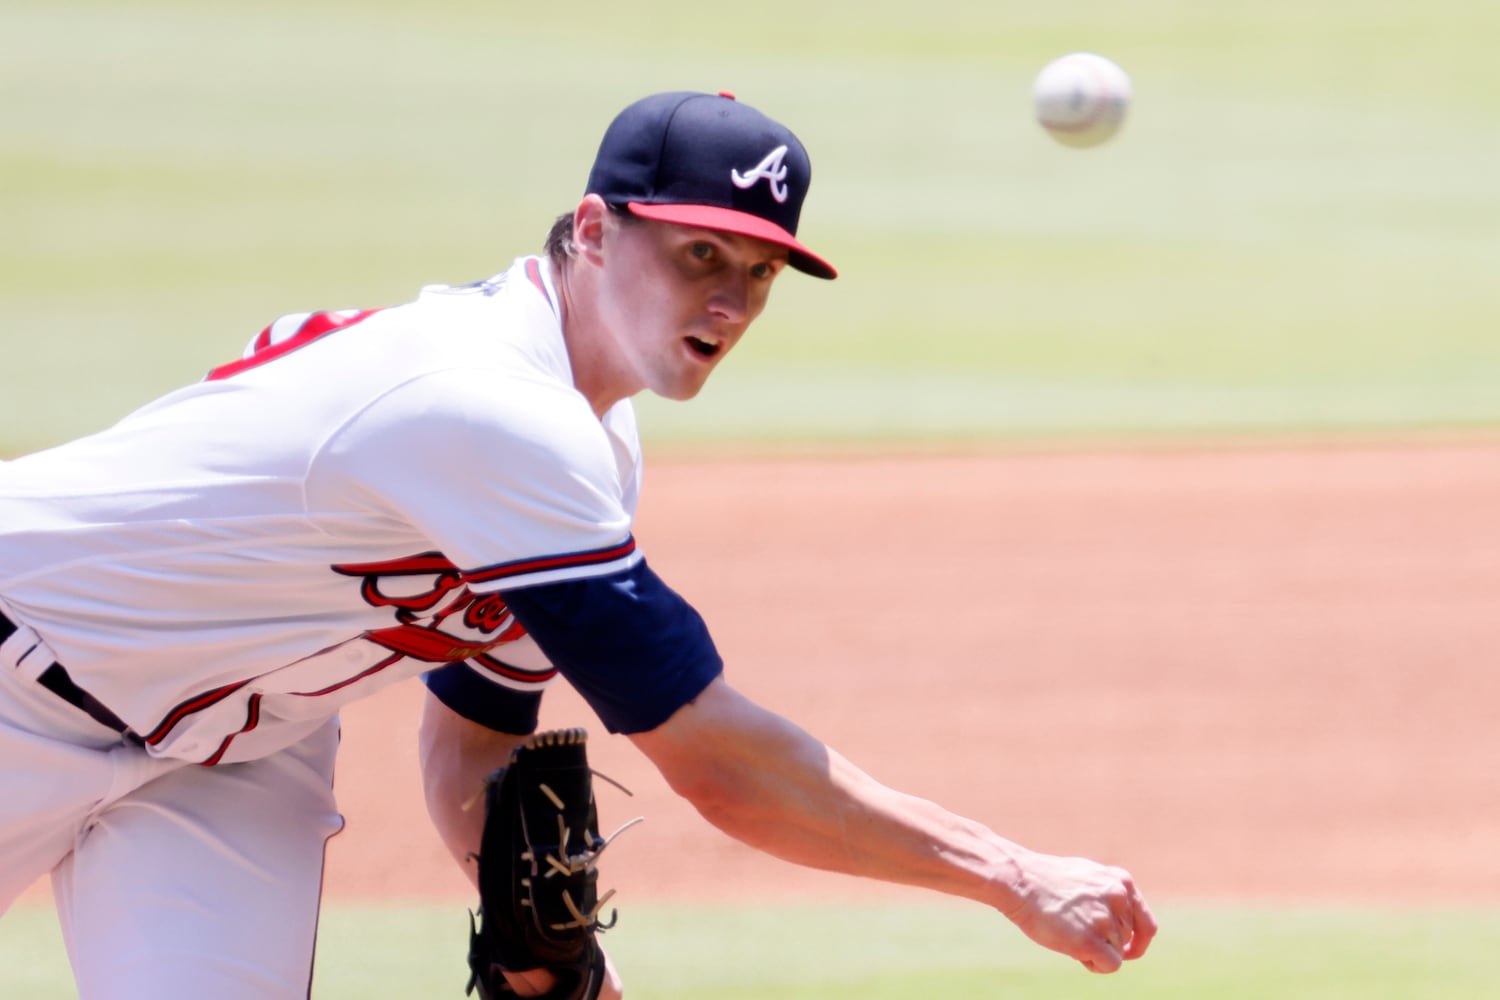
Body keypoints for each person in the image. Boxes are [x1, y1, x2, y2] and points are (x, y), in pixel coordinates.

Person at [0, 90, 1156, 998]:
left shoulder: (594, 441)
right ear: (596, 229)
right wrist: (1010, 875)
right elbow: (715, 761)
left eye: (758, 272)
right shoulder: (486, 404)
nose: (731, 304)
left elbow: (474, 745)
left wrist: (557, 959)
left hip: (231, 759)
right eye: (699, 254)